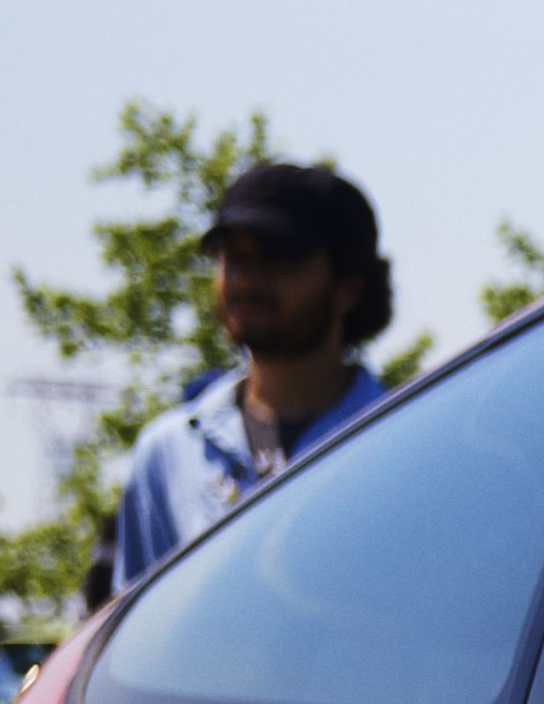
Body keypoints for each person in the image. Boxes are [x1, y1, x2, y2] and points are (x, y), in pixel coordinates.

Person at [89, 157, 397, 598]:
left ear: (349, 286)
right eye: (231, 257)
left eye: (276, 257)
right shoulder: (169, 452)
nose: (245, 279)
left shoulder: (398, 447)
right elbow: (138, 629)